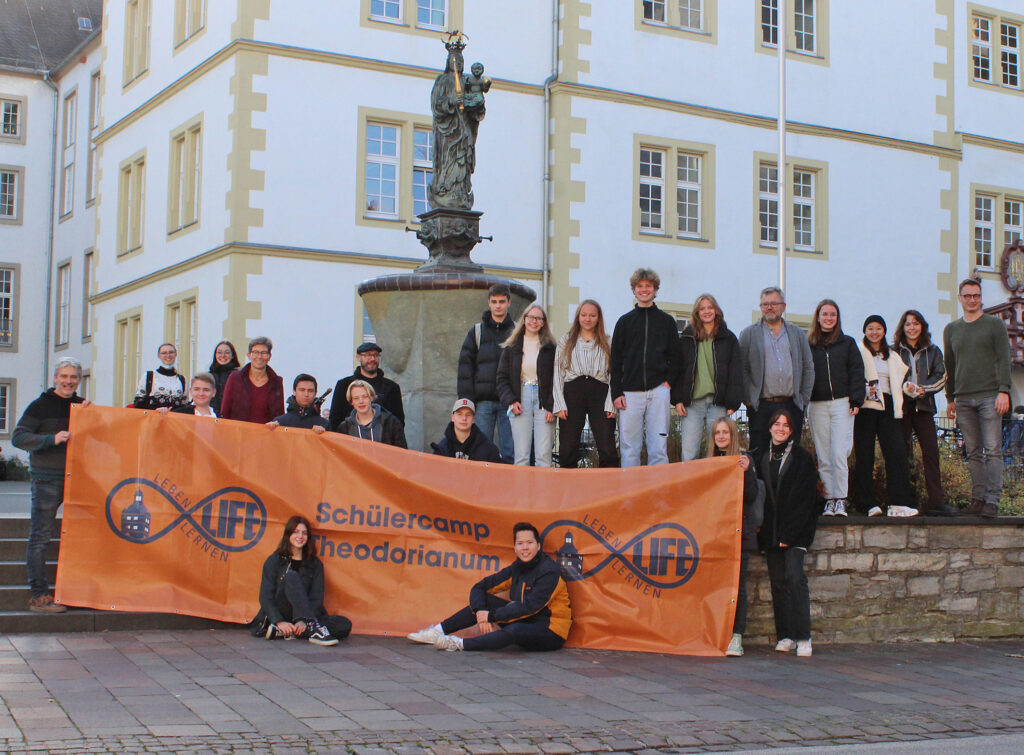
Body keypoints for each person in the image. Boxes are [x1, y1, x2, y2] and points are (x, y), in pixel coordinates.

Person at [406, 522, 572, 652]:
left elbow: (530, 607)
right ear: (515, 547)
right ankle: (437, 631)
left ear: (538, 546)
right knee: (482, 601)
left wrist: (491, 616)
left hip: (550, 632)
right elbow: (480, 587)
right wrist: (480, 612)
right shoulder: (517, 568)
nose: (525, 548)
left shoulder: (550, 572)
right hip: (524, 622)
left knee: (515, 629)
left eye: (529, 543)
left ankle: (459, 644)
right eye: (520, 543)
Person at [12, 357, 88, 613]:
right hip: (46, 478)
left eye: (73, 377)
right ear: (55, 378)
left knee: (82, 537)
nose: (68, 381)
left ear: (79, 380)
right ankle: (39, 596)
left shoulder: (83, 407)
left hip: (78, 478)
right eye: (64, 376)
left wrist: (94, 417)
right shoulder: (40, 406)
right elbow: (19, 437)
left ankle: (79, 593)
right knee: (41, 537)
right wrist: (51, 439)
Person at [943, 278, 1013, 518]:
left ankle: (992, 500)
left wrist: (1004, 390)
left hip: (990, 396)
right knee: (972, 451)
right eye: (967, 295)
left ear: (980, 297)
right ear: (960, 297)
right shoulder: (951, 329)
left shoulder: (995, 325)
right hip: (963, 399)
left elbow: (1005, 359)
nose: (972, 299)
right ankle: (978, 498)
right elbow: (949, 365)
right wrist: (950, 397)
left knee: (993, 449)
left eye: (976, 295)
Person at [756, 409, 818, 658]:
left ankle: (803, 636)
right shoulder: (762, 456)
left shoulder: (802, 458)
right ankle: (785, 635)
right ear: (770, 428)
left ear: (792, 430)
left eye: (785, 425)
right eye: (776, 424)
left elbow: (805, 499)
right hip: (771, 533)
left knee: (795, 579)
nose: (780, 428)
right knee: (778, 584)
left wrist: (788, 535)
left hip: (796, 532)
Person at [609, 268, 682, 467]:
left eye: (648, 286)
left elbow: (676, 356)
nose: (644, 290)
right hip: (630, 393)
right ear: (634, 290)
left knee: (658, 447)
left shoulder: (666, 322)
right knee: (629, 447)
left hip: (659, 390)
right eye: (640, 286)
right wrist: (617, 392)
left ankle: (657, 496)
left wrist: (668, 383)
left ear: (655, 290)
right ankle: (630, 496)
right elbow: (615, 360)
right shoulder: (624, 322)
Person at [708, 418, 764, 658]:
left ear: (732, 435)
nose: (721, 436)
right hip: (714, 535)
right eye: (717, 433)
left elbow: (751, 496)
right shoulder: (709, 463)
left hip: (739, 533)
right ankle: (716, 633)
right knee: (714, 586)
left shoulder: (744, 460)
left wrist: (746, 472)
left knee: (737, 587)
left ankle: (736, 635)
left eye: (725, 432)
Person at [894, 310, 957, 516]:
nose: (912, 328)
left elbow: (942, 376)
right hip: (901, 407)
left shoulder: (933, 350)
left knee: (931, 452)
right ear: (902, 328)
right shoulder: (894, 350)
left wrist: (923, 389)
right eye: (908, 324)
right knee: (903, 453)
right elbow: (890, 377)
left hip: (924, 406)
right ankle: (908, 499)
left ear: (922, 326)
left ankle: (936, 501)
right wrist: (905, 388)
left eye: (916, 323)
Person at [853, 316, 918, 517]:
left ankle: (899, 503)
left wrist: (909, 388)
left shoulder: (891, 355)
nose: (874, 332)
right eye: (870, 328)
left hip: (888, 404)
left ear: (884, 331)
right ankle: (866, 503)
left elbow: (901, 380)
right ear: (864, 331)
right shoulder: (858, 351)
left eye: (878, 328)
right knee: (865, 455)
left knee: (897, 453)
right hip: (865, 405)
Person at [252, 516, 351, 646]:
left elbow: (317, 598)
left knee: (344, 624)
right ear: (288, 534)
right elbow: (266, 597)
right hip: (282, 612)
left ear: (308, 537)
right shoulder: (274, 561)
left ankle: (294, 631)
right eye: (296, 532)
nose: (300, 536)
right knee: (291, 576)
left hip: (307, 616)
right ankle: (299, 629)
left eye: (304, 533)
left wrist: (303, 621)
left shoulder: (315, 564)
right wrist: (279, 621)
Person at [738, 287, 814, 457]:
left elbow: (808, 366)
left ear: (784, 306)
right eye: (765, 304)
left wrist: (803, 399)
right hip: (761, 405)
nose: (769, 307)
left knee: (790, 455)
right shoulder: (749, 334)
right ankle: (761, 485)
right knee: (759, 453)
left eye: (773, 303)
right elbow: (742, 367)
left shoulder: (796, 334)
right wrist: (749, 399)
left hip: (791, 405)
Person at [807, 300, 865, 518]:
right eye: (825, 314)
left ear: (837, 318)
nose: (829, 318)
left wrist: (856, 400)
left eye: (833, 314)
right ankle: (829, 499)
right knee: (823, 454)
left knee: (839, 453)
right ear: (818, 317)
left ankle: (841, 499)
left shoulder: (847, 343)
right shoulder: (809, 344)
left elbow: (857, 371)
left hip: (842, 403)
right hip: (817, 404)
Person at [673, 293, 742, 461]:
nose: (706, 311)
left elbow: (735, 370)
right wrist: (677, 399)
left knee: (719, 451)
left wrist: (733, 401)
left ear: (716, 310)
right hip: (692, 404)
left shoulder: (728, 337)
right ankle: (689, 487)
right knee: (689, 452)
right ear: (697, 313)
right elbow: (678, 370)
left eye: (710, 307)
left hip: (718, 403)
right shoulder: (687, 337)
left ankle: (718, 486)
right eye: (702, 308)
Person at [552, 299, 617, 468]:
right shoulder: (566, 340)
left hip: (600, 392)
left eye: (592, 315)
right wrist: (559, 404)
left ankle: (608, 489)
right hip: (573, 391)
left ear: (598, 318)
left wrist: (611, 403)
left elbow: (614, 374)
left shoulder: (608, 342)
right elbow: (558, 374)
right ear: (578, 317)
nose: (587, 319)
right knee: (567, 447)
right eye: (584, 315)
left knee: (607, 447)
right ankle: (569, 489)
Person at [458, 283, 516, 461]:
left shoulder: (517, 331)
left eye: (501, 301)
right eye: (494, 301)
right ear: (489, 303)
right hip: (482, 402)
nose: (498, 305)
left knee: (510, 452)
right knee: (480, 450)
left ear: (509, 303)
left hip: (509, 402)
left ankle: (509, 487)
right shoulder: (476, 332)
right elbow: (465, 369)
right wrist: (466, 401)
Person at [497, 303, 556, 467]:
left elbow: (557, 379)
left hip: (544, 401)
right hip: (520, 398)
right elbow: (501, 378)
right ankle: (521, 492)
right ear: (524, 319)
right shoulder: (512, 347)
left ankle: (543, 492)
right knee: (521, 455)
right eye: (531, 317)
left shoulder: (550, 348)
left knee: (543, 455)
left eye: (539, 318)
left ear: (543, 322)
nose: (534, 321)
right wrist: (511, 401)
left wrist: (552, 406)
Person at [328, 342, 404, 431]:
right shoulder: (344, 385)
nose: (372, 359)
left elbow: (399, 421)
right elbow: (335, 419)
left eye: (375, 355)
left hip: (382, 441)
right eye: (367, 355)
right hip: (351, 440)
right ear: (358, 357)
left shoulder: (391, 387)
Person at [220, 337, 285, 424]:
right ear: (249, 355)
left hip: (265, 435)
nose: (259, 356)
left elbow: (279, 415)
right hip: (238, 434)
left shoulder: (276, 382)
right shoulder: (235, 378)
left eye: (264, 353)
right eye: (255, 352)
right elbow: (225, 411)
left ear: (270, 356)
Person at [337, 380, 407, 448]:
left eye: (365, 396)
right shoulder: (344, 428)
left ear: (372, 397)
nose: (361, 401)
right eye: (356, 398)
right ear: (351, 402)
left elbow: (403, 453)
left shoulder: (391, 423)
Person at [432, 398, 503, 462]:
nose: (464, 418)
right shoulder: (443, 448)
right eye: (460, 414)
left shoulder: (487, 448)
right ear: (452, 417)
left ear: (473, 419)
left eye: (468, 415)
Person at [133, 343, 188, 410]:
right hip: (153, 419)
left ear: (176, 354)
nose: (168, 355)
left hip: (174, 419)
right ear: (159, 355)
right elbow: (138, 402)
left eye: (171, 352)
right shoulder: (149, 376)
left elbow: (185, 405)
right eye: (164, 353)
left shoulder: (182, 380)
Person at [208, 341, 240, 415]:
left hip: (232, 418)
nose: (223, 355)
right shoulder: (208, 376)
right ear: (215, 355)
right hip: (211, 418)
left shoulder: (239, 376)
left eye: (227, 352)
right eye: (219, 352)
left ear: (232, 356)